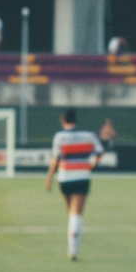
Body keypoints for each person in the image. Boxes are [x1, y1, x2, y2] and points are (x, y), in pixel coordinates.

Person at [44, 107, 104, 260]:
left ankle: (73, 244)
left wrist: (49, 179)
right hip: (82, 177)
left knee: (71, 212)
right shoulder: (88, 136)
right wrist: (92, 165)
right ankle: (73, 250)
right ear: (76, 120)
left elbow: (55, 159)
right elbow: (100, 151)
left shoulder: (59, 137)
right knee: (76, 213)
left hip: (64, 178)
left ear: (62, 120)